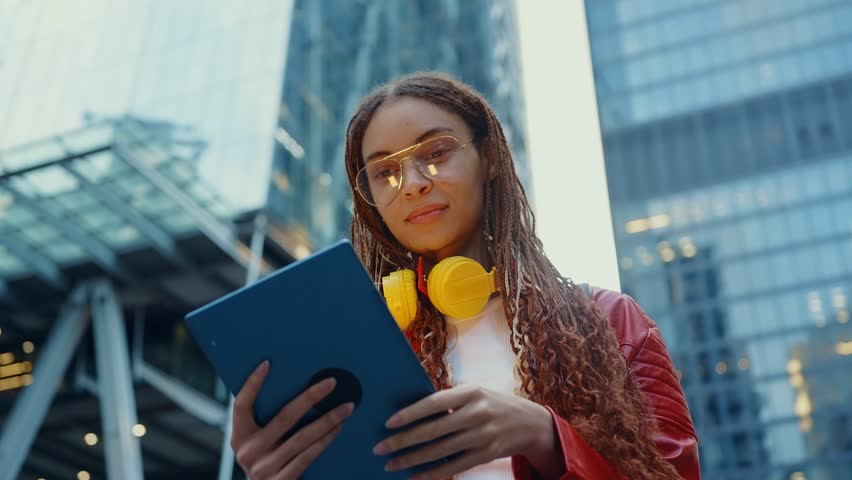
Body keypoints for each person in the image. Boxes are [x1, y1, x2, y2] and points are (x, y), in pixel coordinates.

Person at [229, 72, 700, 480]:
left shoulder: (612, 321)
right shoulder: (354, 350)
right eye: (385, 172)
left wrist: (546, 438)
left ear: (488, 157)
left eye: (436, 152)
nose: (412, 183)